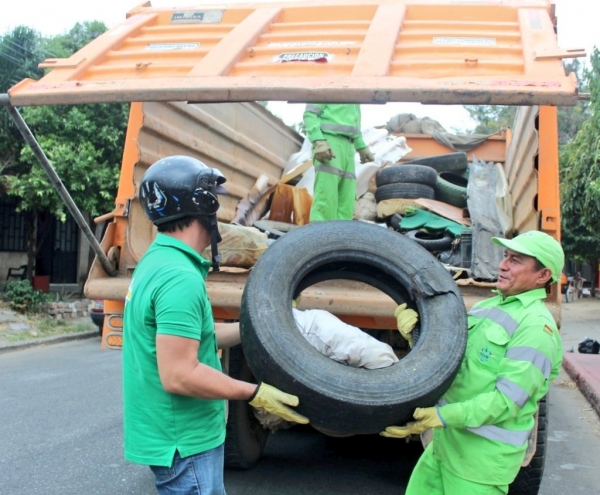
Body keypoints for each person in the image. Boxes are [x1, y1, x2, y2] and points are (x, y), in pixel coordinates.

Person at [122, 155, 309, 495]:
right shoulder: (179, 278)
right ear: (202, 205)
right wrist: (255, 393)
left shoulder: (157, 261)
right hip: (185, 439)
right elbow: (180, 374)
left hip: (172, 433)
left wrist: (257, 325)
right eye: (214, 200)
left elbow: (198, 337)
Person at [383, 230, 564, 495]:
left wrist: (442, 416)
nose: (502, 265)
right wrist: (417, 336)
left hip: (480, 466)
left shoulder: (537, 328)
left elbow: (506, 402)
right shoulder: (486, 308)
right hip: (444, 448)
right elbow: (450, 362)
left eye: (516, 261)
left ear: (543, 276)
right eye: (505, 256)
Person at [303, 103, 374, 222]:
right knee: (327, 197)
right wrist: (319, 141)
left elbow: (352, 124)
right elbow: (310, 114)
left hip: (348, 147)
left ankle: (341, 237)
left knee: (347, 199)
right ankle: (320, 238)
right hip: (330, 142)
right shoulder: (330, 86)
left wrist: (360, 145)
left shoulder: (353, 94)